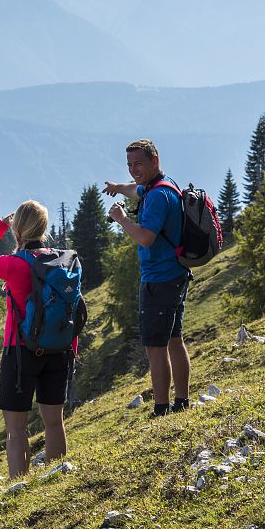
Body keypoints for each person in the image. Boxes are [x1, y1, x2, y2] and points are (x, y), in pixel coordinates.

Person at [0, 200, 73, 478]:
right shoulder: (62, 262)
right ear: (44, 228)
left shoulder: (14, 264)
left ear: (18, 230)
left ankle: (19, 486)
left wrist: (0, 227)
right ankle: (57, 479)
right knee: (54, 422)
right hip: (58, 348)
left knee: (16, 429)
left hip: (20, 351)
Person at [103, 139, 192, 417]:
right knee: (175, 339)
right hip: (176, 274)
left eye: (139, 163)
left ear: (155, 160)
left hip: (158, 280)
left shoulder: (155, 197)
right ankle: (182, 401)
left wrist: (120, 218)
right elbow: (135, 189)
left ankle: (162, 408)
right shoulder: (164, 185)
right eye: (129, 165)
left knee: (156, 347)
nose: (133, 170)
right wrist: (118, 188)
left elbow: (145, 238)